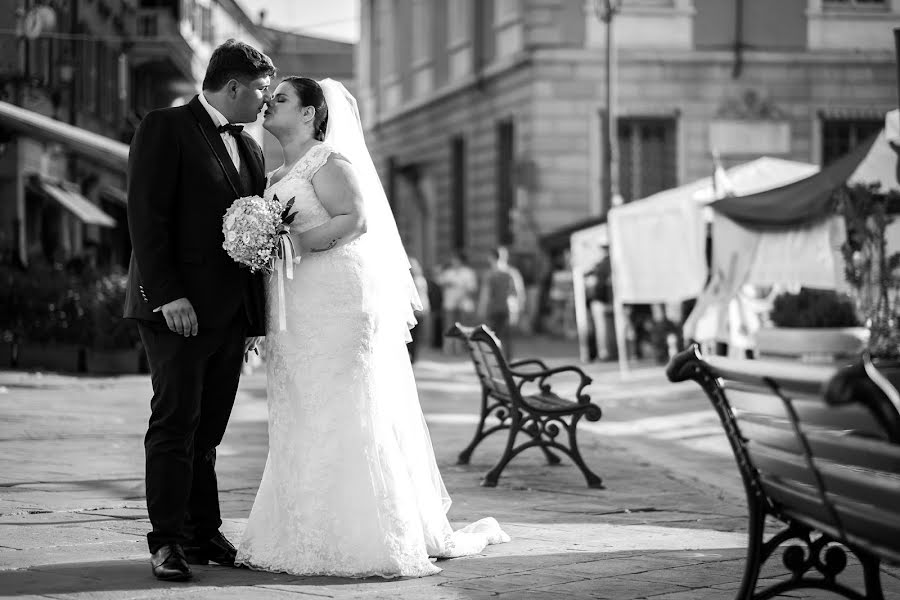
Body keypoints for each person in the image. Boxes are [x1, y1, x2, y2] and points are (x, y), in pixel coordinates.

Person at [234, 77, 508, 577]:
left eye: (281, 100)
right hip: (294, 304)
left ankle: (367, 533)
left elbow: (356, 219)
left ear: (312, 114)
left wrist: (293, 243)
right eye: (268, 98)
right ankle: (299, 529)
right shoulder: (274, 174)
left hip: (338, 297)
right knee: (301, 402)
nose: (268, 105)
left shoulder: (331, 162)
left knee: (344, 402)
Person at [124, 40, 273, 581]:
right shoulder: (165, 126)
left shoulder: (252, 151)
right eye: (259, 90)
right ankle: (164, 540)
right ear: (231, 85)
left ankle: (202, 531)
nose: (265, 101)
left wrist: (254, 319)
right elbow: (146, 215)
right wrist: (167, 295)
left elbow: (253, 238)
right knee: (174, 424)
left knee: (208, 431)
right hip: (176, 311)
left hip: (231, 317)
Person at [477, 246, 525, 356]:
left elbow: (485, 295)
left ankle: (497, 360)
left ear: (491, 257)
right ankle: (508, 362)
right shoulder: (512, 272)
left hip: (493, 308)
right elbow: (519, 292)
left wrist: (481, 309)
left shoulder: (490, 274)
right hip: (509, 308)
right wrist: (520, 308)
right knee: (507, 337)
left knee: (494, 336)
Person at [436, 252, 478, 354]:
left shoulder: (468, 273)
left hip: (463, 304)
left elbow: (472, 288)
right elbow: (439, 282)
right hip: (450, 304)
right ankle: (448, 349)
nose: (454, 262)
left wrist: (461, 294)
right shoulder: (448, 272)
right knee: (449, 327)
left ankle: (461, 349)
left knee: (462, 328)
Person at [407, 256, 430, 364]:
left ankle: (411, 356)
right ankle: (413, 356)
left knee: (412, 334)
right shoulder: (421, 279)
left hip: (414, 309)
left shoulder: (414, 280)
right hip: (422, 308)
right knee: (415, 335)